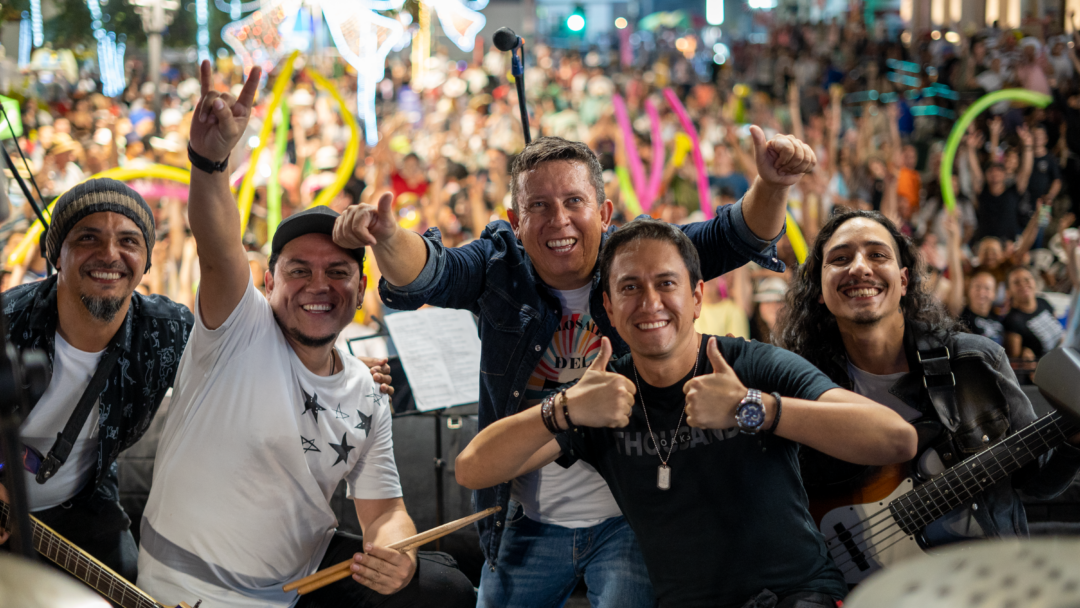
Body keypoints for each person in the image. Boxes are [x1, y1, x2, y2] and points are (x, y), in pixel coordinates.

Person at [336, 126, 818, 607]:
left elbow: (733, 235)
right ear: (515, 220)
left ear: (604, 213)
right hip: (525, 519)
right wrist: (388, 236)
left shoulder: (637, 259)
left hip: (633, 521)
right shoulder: (498, 266)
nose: (558, 220)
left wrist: (773, 185)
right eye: (539, 206)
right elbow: (431, 272)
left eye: (574, 201)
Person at [136, 60, 474, 608]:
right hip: (184, 593)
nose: (319, 285)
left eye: (337, 272)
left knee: (445, 587)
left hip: (294, 589)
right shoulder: (238, 329)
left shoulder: (367, 392)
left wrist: (396, 554)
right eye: (299, 270)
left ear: (360, 288)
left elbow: (385, 511)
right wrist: (210, 159)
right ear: (269, 281)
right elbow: (218, 243)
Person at [453, 218, 917, 608]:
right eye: (630, 287)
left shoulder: (750, 366)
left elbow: (895, 438)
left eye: (666, 283)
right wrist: (563, 408)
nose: (650, 302)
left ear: (696, 297)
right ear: (610, 309)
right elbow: (473, 469)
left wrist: (752, 408)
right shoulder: (601, 395)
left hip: (795, 596)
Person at [775, 209, 1080, 548]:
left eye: (877, 254)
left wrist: (1073, 442)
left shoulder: (975, 360)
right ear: (819, 287)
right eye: (841, 258)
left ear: (904, 280)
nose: (859, 267)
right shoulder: (801, 382)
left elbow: (1037, 482)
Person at [0, 178, 193, 582]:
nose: (110, 255)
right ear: (57, 254)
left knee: (129, 591)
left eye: (129, 241)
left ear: (146, 260)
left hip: (84, 503)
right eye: (88, 237)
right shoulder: (7, 322)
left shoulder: (165, 333)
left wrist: (340, 362)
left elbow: (251, 354)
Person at [1003, 265, 1065, 361]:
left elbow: (1057, 326)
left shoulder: (1043, 301)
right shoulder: (1012, 320)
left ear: (1034, 281)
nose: (1023, 285)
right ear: (1008, 291)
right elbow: (1016, 360)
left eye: (1027, 279)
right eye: (1016, 282)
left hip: (1063, 356)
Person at [959, 270, 1005, 346]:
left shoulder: (999, 319)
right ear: (969, 290)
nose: (981, 292)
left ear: (994, 294)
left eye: (987, 288)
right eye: (977, 287)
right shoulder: (961, 316)